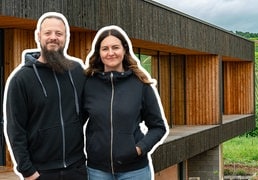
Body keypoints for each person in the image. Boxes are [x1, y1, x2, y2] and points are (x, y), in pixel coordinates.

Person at [3, 12, 87, 180]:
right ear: (38, 36)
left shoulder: (77, 71)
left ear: (66, 37)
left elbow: (87, 110)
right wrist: (28, 171)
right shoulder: (22, 79)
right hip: (41, 172)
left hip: (77, 169)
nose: (53, 37)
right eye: (48, 33)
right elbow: (15, 129)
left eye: (59, 33)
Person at [83, 25, 169, 180]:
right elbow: (75, 121)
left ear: (124, 50)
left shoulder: (140, 84)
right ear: (99, 53)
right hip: (97, 171)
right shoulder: (88, 84)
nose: (110, 53)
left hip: (134, 171)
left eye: (115, 47)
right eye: (105, 49)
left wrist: (139, 149)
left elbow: (158, 127)